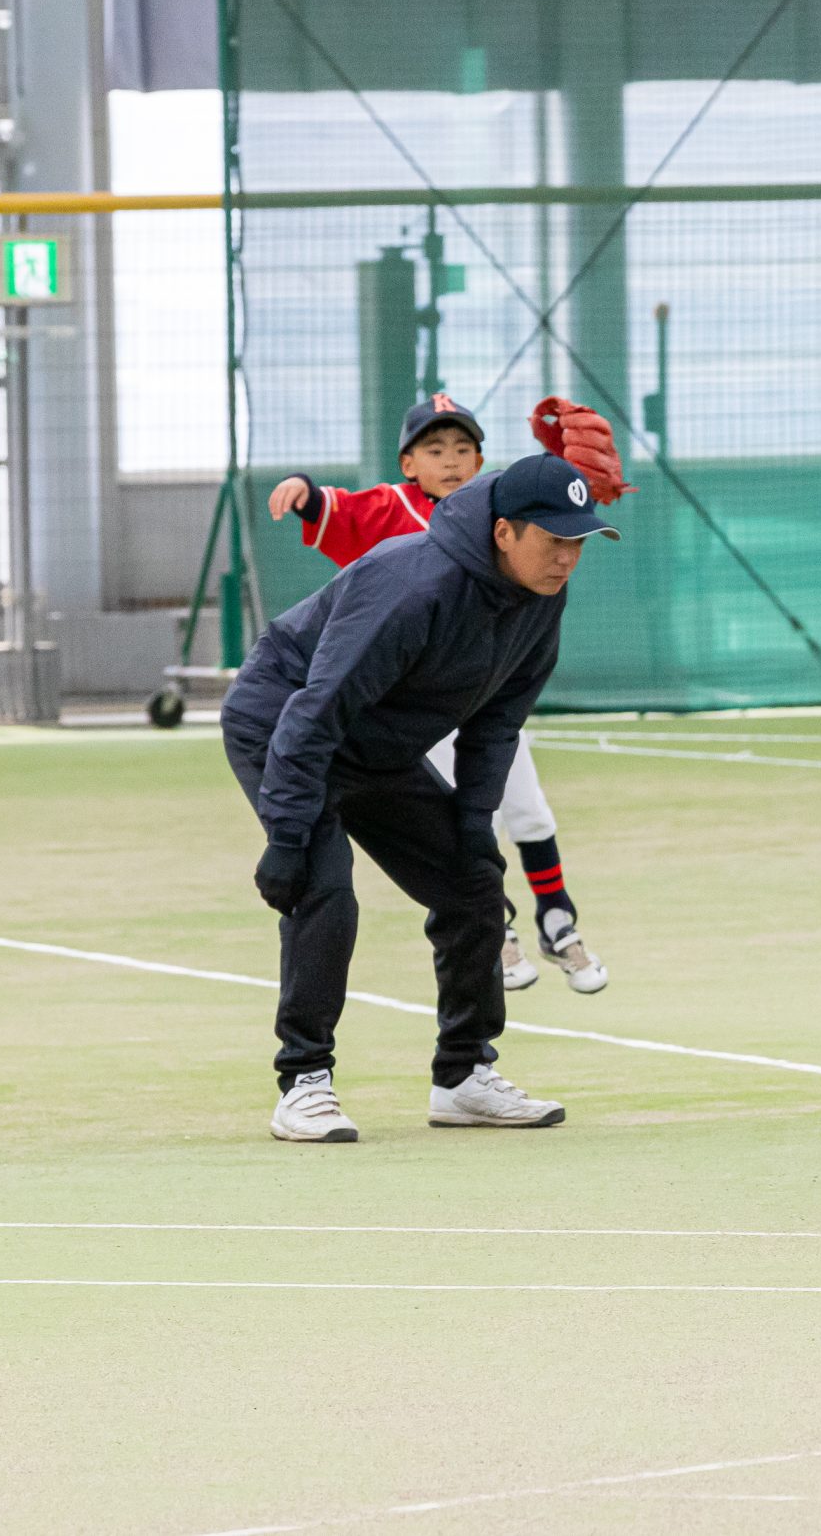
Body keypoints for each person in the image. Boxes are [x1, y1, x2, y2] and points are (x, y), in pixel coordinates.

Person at [224, 453, 618, 1142]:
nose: (567, 558)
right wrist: (287, 836)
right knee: (324, 888)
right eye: (554, 540)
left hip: (377, 744)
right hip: (283, 719)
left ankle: (462, 1076)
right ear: (504, 533)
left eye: (577, 542)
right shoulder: (413, 584)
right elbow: (315, 712)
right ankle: (304, 1082)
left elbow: (496, 724)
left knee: (473, 885)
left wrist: (471, 824)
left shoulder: (542, 602)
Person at [266, 395, 607, 995]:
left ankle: (557, 917)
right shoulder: (389, 507)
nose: (450, 460)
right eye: (433, 448)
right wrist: (303, 488)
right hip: (408, 706)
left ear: (480, 460)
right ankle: (494, 928)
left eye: (462, 448)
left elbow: (551, 517)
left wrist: (568, 482)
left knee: (525, 804)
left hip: (479, 691)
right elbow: (333, 508)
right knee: (470, 822)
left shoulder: (509, 516)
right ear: (407, 463)